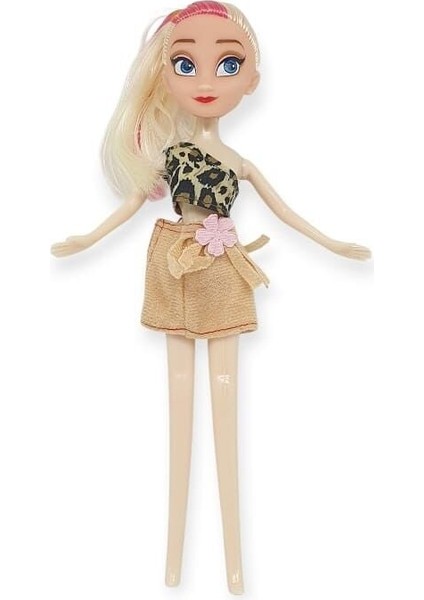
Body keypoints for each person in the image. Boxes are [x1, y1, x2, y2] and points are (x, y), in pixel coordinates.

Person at [51, 2, 371, 594]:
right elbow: (127, 208)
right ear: (162, 72)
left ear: (251, 79)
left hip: (222, 265)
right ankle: (173, 559)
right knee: (180, 398)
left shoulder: (241, 163)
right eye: (185, 63)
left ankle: (233, 563)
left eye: (228, 64)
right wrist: (87, 238)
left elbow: (287, 213)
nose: (206, 81)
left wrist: (332, 242)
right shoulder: (170, 157)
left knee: (224, 396)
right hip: (173, 262)